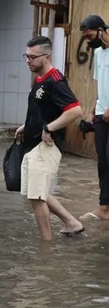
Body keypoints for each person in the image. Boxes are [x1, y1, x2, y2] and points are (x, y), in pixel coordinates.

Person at [14, 36, 84, 240]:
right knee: (35, 193)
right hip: (33, 143)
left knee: (37, 197)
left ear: (47, 57)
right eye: (26, 56)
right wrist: (27, 126)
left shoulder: (55, 81)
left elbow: (75, 110)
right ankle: (72, 223)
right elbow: (45, 110)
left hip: (46, 146)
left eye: (32, 57)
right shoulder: (39, 79)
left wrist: (49, 128)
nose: (28, 61)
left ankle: (46, 245)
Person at [79, 15, 109, 221]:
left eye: (89, 36)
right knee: (103, 162)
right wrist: (91, 112)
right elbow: (101, 87)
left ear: (100, 29)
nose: (88, 41)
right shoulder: (98, 53)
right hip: (101, 115)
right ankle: (105, 208)